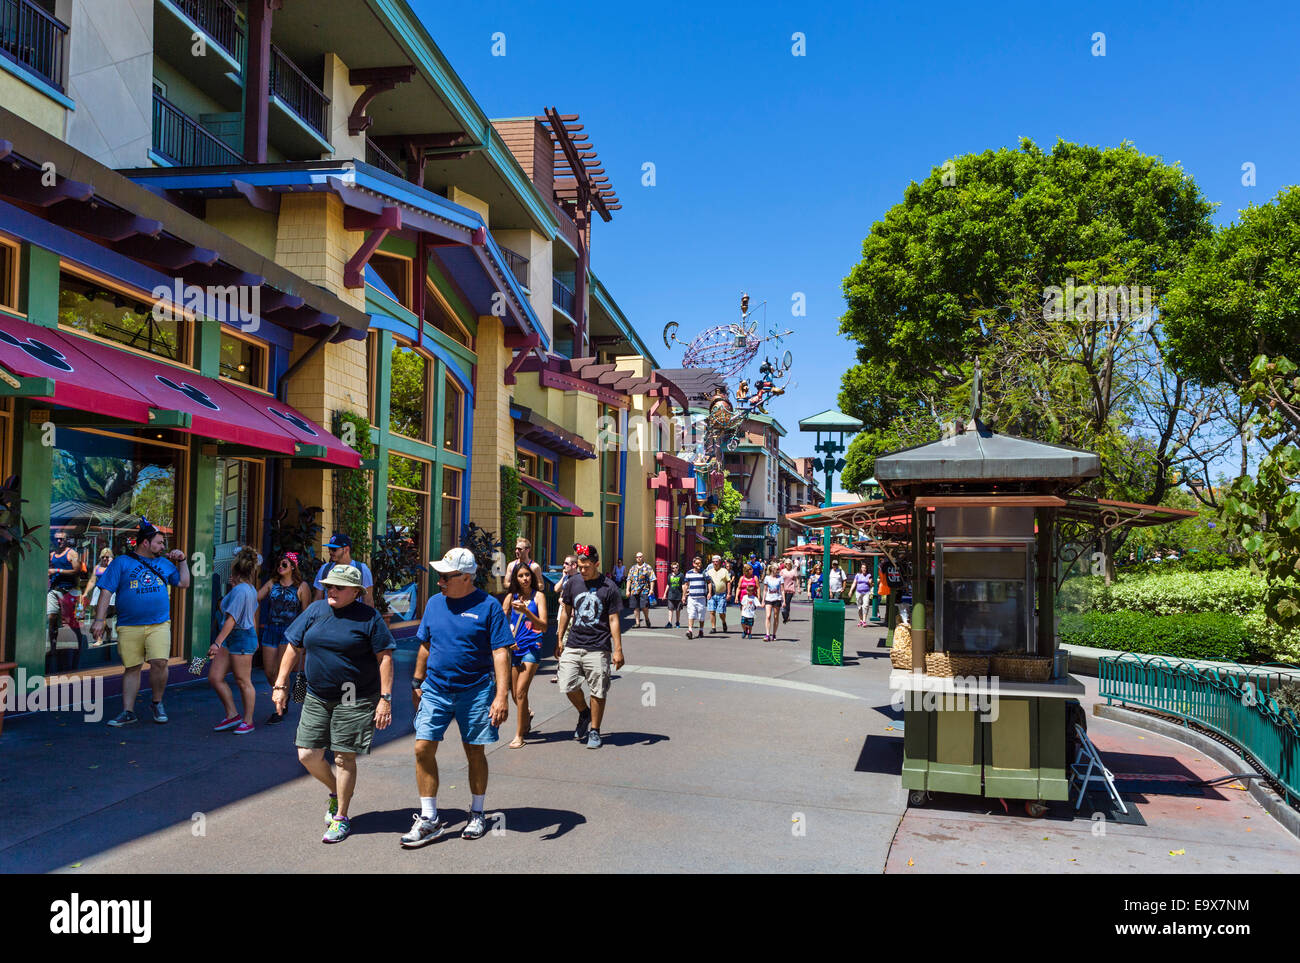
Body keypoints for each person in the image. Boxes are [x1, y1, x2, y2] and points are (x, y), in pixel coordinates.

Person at [272, 564, 395, 844]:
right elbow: (293, 645)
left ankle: (341, 817)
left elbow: (385, 657)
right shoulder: (316, 611)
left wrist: (385, 699)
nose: (332, 590)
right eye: (329, 585)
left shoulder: (369, 618)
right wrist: (280, 685)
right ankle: (335, 790)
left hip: (355, 696)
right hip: (317, 694)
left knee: (343, 756)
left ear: (356, 592)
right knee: (307, 754)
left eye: (339, 587)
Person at [401, 548, 512, 846]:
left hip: (475, 692)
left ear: (466, 577)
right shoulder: (435, 603)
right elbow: (425, 644)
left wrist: (501, 696)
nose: (440, 582)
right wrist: (416, 680)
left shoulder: (489, 606)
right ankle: (429, 819)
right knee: (422, 747)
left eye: (446, 576)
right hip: (435, 690)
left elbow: (501, 652)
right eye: (439, 576)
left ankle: (477, 812)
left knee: (474, 751)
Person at [92, 520, 190, 726]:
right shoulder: (121, 562)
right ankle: (128, 711)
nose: (163, 547)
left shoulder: (164, 563)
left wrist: (183, 561)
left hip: (159, 624)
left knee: (160, 663)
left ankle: (157, 701)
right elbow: (106, 591)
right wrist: (99, 620)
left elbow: (183, 583)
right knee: (132, 667)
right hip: (129, 625)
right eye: (159, 543)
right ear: (145, 543)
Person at [556, 544, 624, 749]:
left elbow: (613, 619)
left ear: (596, 564)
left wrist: (618, 649)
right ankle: (584, 713)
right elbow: (566, 611)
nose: (582, 570)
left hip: (599, 645)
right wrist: (559, 639)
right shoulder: (572, 583)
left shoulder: (609, 587)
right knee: (566, 684)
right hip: (574, 642)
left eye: (586, 567)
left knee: (598, 690)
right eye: (580, 566)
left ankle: (595, 730)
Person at [208, 547, 261, 734]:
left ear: (235, 569)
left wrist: (217, 642)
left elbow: (232, 619)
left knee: (243, 680)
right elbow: (248, 614)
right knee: (215, 677)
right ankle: (232, 715)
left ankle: (248, 721)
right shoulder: (244, 589)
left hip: (240, 636)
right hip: (236, 637)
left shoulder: (242, 591)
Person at [257, 552, 312, 725]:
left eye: (284, 564)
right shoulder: (272, 583)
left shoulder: (301, 587)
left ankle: (279, 708)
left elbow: (306, 613)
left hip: (290, 632)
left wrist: (303, 638)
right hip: (271, 629)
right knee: (269, 672)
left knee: (283, 671)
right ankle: (284, 694)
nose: (280, 567)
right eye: (279, 564)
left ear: (293, 567)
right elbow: (255, 598)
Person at [502, 562, 547, 749]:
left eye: (527, 575)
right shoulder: (510, 597)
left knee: (520, 692)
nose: (525, 579)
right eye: (520, 576)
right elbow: (501, 621)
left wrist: (527, 611)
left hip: (532, 647)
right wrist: (506, 640)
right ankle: (526, 715)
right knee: (515, 694)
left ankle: (519, 735)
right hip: (516, 649)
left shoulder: (539, 597)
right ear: (515, 579)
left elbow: (544, 625)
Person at [314, 533, 375, 607]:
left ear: (346, 549)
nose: (330, 552)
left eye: (334, 549)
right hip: (330, 616)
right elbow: (318, 598)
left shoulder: (362, 569)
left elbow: (368, 601)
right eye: (329, 549)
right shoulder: (324, 569)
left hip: (354, 617)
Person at [550, 554, 578, 684]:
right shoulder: (566, 577)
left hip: (571, 615)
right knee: (560, 641)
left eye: (566, 564)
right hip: (561, 614)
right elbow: (556, 589)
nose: (564, 566)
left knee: (567, 643)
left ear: (574, 565)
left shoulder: (579, 579)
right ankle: (561, 672)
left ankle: (564, 673)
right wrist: (563, 576)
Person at [82, 547, 116, 647]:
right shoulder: (97, 567)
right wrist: (86, 593)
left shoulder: (113, 567)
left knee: (102, 615)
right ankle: (107, 631)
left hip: (109, 591)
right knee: (98, 614)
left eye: (107, 557)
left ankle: (99, 638)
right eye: (103, 557)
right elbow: (92, 581)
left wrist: (111, 563)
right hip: (98, 591)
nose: (105, 559)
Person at [625, 552, 656, 628]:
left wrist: (651, 589)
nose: (638, 558)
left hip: (644, 590)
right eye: (637, 557)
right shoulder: (633, 568)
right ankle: (637, 623)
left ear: (643, 558)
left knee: (644, 606)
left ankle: (646, 618)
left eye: (640, 557)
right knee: (635, 607)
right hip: (634, 590)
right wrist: (627, 590)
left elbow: (652, 579)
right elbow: (629, 579)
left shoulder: (648, 567)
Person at [682, 555, 709, 639]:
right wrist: (683, 596)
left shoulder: (704, 573)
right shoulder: (689, 573)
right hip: (692, 598)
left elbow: (709, 582)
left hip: (701, 597)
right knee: (691, 614)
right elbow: (686, 585)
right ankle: (690, 630)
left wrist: (709, 593)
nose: (699, 565)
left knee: (701, 615)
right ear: (693, 564)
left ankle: (701, 630)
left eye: (700, 563)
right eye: (697, 563)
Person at [705, 554, 731, 634]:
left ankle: (723, 622)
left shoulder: (724, 571)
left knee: (721, 612)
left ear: (720, 562)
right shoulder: (709, 572)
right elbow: (708, 583)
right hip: (712, 594)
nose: (715, 563)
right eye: (714, 562)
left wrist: (729, 593)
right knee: (712, 611)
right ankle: (713, 627)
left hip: (722, 594)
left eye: (717, 561)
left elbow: (728, 582)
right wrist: (709, 593)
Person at [762, 565, 783, 641]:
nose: (777, 570)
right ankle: (767, 634)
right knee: (768, 616)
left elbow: (782, 590)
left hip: (777, 598)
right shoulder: (767, 578)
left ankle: (774, 634)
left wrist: (783, 601)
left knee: (776, 616)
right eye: (776, 569)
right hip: (768, 598)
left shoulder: (780, 578)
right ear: (772, 569)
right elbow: (764, 590)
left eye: (778, 569)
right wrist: (763, 600)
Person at [664, 561, 684, 628]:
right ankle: (669, 622)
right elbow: (668, 585)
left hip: (679, 595)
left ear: (678, 568)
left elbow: (683, 585)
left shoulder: (681, 575)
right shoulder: (670, 575)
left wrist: (684, 595)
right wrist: (664, 594)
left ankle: (677, 622)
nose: (674, 569)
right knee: (670, 609)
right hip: (671, 595)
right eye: (673, 568)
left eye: (675, 568)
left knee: (678, 610)